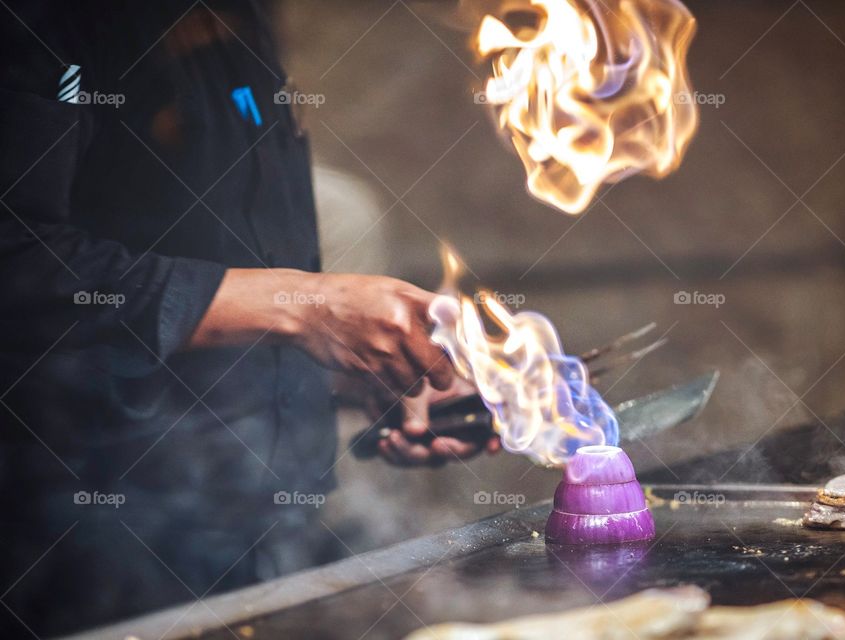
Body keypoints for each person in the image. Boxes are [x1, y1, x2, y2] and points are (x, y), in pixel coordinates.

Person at [0, 1, 495, 636]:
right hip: (65, 541)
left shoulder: (236, 20)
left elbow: (209, 271)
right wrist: (308, 307)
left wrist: (356, 377)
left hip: (231, 521)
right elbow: (19, 263)